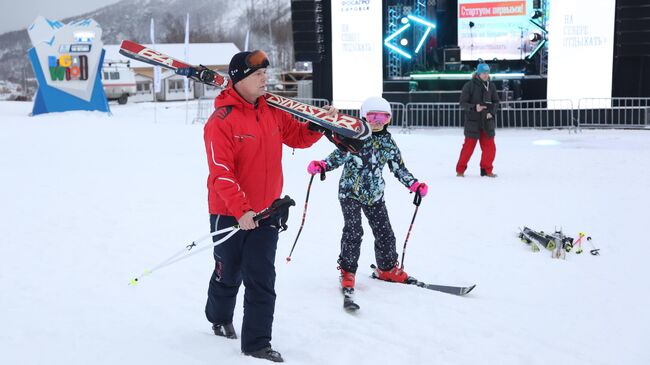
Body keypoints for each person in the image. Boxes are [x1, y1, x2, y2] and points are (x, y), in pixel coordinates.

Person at [203, 50, 336, 363]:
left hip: (268, 212)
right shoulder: (220, 121)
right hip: (229, 214)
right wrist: (241, 210)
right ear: (240, 80)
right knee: (228, 273)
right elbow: (221, 172)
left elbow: (297, 138)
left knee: (261, 277)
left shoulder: (272, 111)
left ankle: (257, 343)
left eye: (265, 73)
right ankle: (218, 317)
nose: (266, 79)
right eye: (258, 75)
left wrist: (318, 125)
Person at [306, 97, 428, 290]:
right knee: (353, 231)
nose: (378, 121)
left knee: (385, 233)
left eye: (383, 117)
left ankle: (386, 268)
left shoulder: (388, 142)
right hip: (350, 192)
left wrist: (413, 184)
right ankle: (347, 271)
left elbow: (399, 168)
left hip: (375, 194)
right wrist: (323, 166)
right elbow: (338, 156)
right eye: (373, 117)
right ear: (363, 117)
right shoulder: (354, 136)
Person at [456, 62, 500, 177]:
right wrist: (474, 108)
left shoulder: (491, 86)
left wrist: (491, 112)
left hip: (487, 121)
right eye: (483, 73)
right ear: (478, 73)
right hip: (473, 122)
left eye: (487, 73)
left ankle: (486, 170)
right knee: (468, 148)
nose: (486, 75)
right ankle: (460, 170)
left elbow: (496, 102)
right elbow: (462, 103)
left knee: (490, 148)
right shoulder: (469, 86)